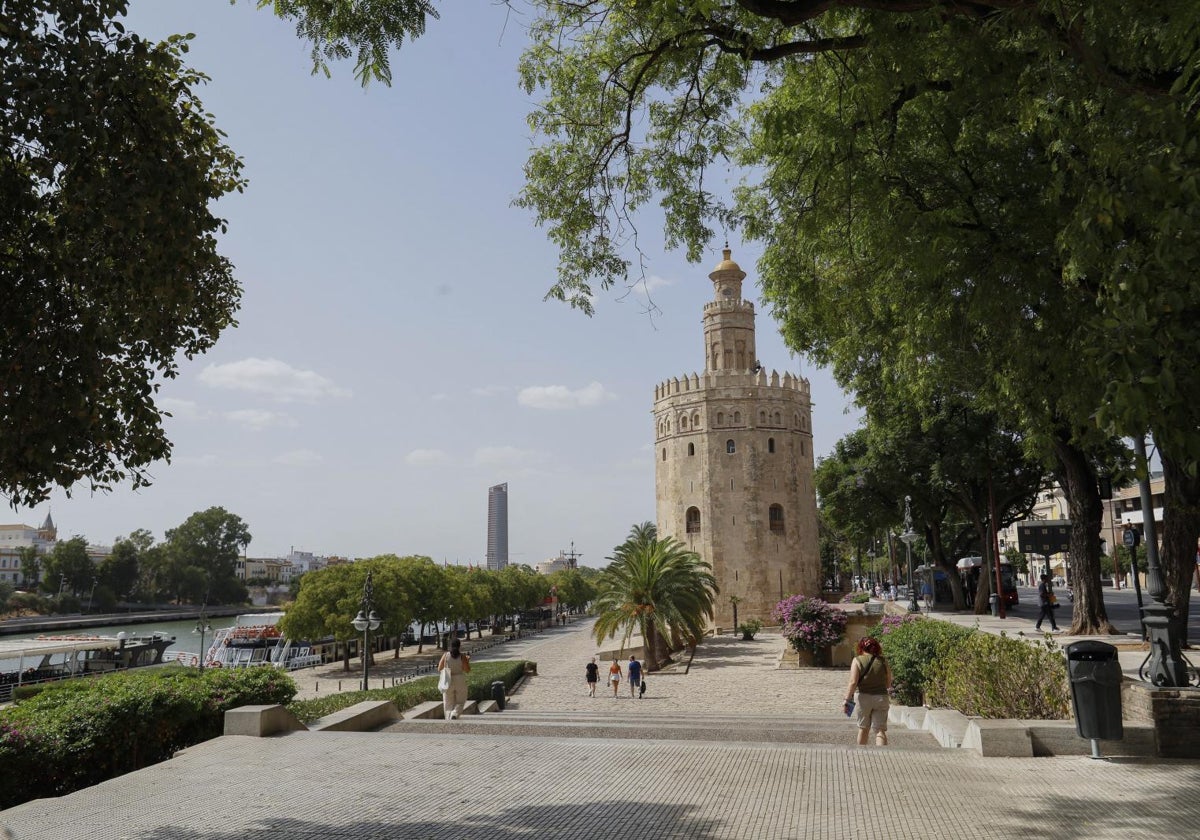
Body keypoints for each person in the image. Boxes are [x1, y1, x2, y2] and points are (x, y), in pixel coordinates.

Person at [843, 637, 892, 747]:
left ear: (861, 647)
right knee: (880, 730)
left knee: (863, 728)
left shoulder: (857, 660)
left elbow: (853, 682)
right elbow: (888, 682)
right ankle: (882, 756)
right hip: (881, 697)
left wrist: (847, 698)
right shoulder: (883, 661)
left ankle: (862, 754)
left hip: (863, 698)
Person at [437, 638, 471, 720]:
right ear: (459, 646)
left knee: (448, 703)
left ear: (450, 646)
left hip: (448, 680)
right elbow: (467, 670)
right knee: (461, 701)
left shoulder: (445, 655)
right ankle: (455, 713)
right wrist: (467, 660)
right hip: (460, 679)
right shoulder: (462, 657)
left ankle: (448, 718)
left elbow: (439, 668)